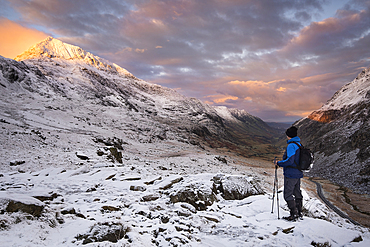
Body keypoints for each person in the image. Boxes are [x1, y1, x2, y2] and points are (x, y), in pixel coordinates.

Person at [274, 126, 303, 221]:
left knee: (288, 194)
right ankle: (299, 213)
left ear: (288, 135)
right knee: (297, 192)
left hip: (291, 174)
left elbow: (290, 161)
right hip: (297, 173)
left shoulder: (291, 145)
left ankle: (294, 215)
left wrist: (279, 163)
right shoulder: (299, 144)